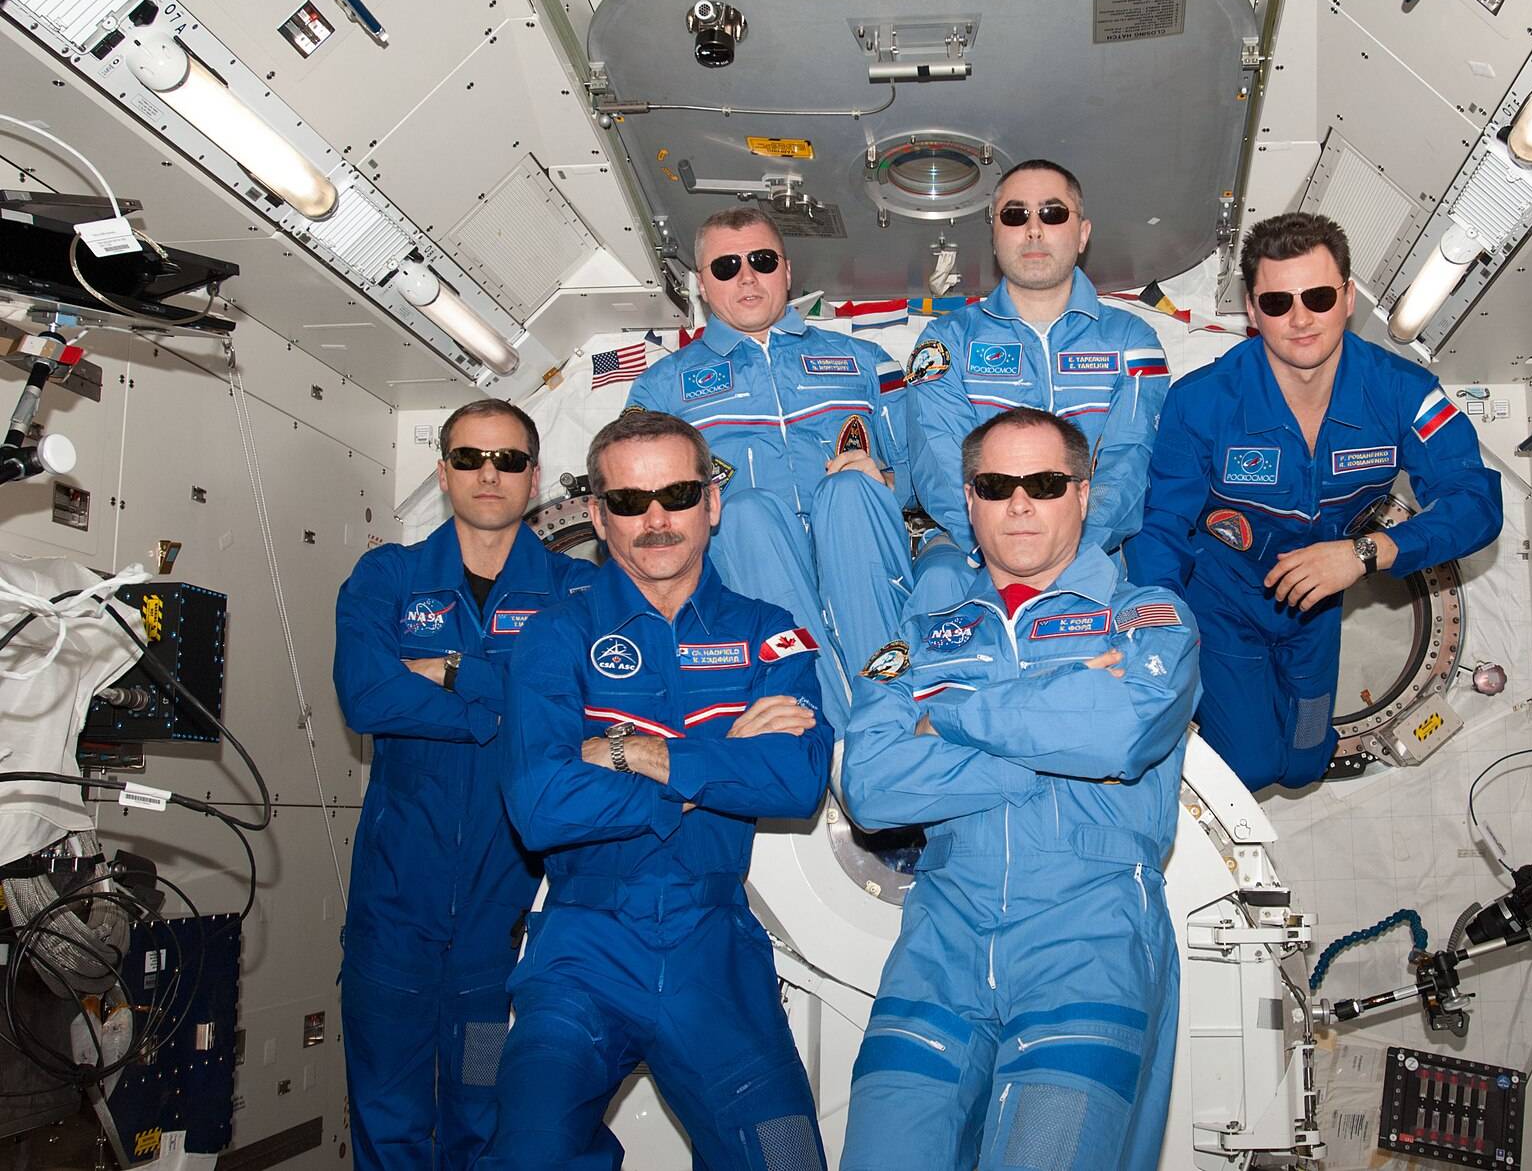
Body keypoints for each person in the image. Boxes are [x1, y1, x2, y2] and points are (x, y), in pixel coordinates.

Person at [838, 407, 1200, 1171]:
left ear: (1083, 490)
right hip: (939, 944)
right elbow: (870, 787)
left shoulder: (1146, 617)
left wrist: (953, 717)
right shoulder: (917, 635)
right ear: (968, 499)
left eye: (1044, 481)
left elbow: (1120, 732)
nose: (1021, 502)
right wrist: (1044, 739)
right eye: (997, 484)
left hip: (1089, 941)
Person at [477, 410, 832, 1171]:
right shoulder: (555, 636)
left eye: (676, 493)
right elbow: (540, 804)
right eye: (631, 502)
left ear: (712, 501)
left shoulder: (771, 633)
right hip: (583, 946)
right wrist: (716, 762)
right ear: (600, 518)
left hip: (716, 950)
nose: (657, 519)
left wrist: (629, 751)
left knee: (789, 1159)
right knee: (525, 1156)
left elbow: (797, 779)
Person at [1129, 212, 1503, 791]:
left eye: (1319, 296)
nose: (1300, 318)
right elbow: (1161, 529)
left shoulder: (1403, 393)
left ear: (1348, 297)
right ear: (1252, 311)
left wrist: (1366, 553)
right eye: (1277, 302)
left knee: (1305, 763)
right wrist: (1161, 629)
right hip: (1223, 604)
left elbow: (1476, 502)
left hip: (1315, 609)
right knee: (1250, 767)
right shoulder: (1200, 403)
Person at [332, 399, 596, 1170]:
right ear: (443, 471)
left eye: (510, 460)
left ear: (535, 477)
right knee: (388, 1116)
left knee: (482, 1115)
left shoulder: (575, 591)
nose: (491, 474)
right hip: (393, 911)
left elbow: (578, 709)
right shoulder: (388, 575)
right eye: (472, 458)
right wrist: (507, 708)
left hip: (502, 919)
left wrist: (455, 672)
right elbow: (367, 696)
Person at [626, 208, 912, 731]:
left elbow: (923, 474)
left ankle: (888, 723)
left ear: (785, 270)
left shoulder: (868, 360)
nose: (747, 276)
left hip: (861, 549)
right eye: (726, 266)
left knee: (850, 491)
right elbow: (643, 499)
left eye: (760, 260)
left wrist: (888, 482)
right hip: (752, 563)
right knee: (745, 511)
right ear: (701, 285)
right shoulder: (661, 388)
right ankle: (825, 732)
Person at [905, 159, 1170, 573]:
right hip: (977, 565)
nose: (1033, 229)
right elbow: (941, 469)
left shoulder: (1132, 342)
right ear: (995, 236)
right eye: (1014, 215)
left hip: (1092, 564)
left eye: (1052, 213)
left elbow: (1129, 464)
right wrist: (998, 553)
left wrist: (1071, 556)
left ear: (1082, 234)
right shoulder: (946, 342)